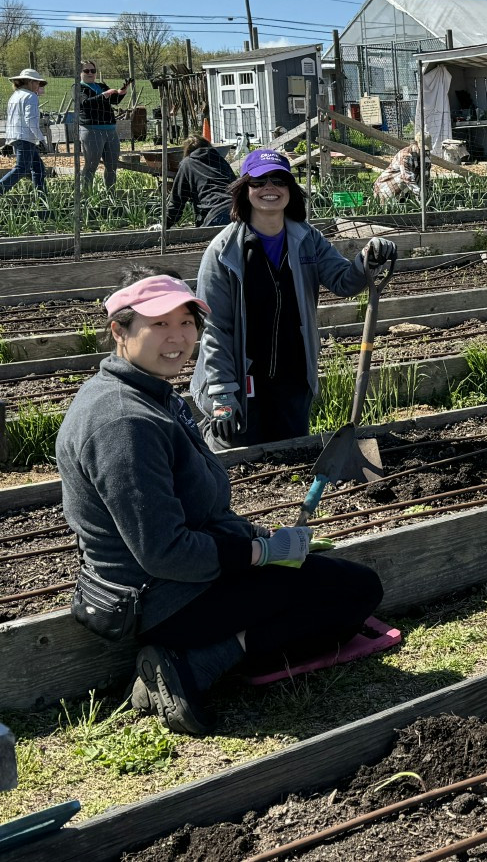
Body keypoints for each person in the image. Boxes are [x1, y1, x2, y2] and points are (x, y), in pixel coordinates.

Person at [58, 270, 384, 735]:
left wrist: (259, 536)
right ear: (120, 331)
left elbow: (194, 511)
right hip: (165, 597)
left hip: (183, 579)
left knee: (336, 582)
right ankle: (192, 664)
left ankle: (201, 651)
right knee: (355, 593)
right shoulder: (123, 423)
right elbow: (164, 552)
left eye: (187, 323)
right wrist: (259, 554)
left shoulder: (150, 394)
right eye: (159, 325)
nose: (178, 338)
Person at [191, 148, 397, 450]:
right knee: (237, 451)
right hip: (241, 374)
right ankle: (197, 443)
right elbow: (216, 329)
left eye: (279, 181)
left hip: (292, 372)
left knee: (291, 453)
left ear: (290, 189)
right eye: (259, 182)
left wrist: (367, 259)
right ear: (245, 189)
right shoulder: (224, 252)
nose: (269, 189)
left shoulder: (306, 239)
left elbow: (342, 281)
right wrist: (222, 393)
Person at [154, 136, 235, 230]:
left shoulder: (187, 163)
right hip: (237, 209)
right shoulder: (221, 161)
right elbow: (236, 185)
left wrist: (165, 224)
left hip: (215, 212)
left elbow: (178, 200)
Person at [77, 60, 129, 191]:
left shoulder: (101, 85)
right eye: (86, 71)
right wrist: (103, 95)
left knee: (112, 165)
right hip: (91, 130)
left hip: (110, 130)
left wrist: (122, 92)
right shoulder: (78, 88)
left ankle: (110, 194)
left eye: (93, 71)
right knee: (91, 165)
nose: (90, 73)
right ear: (79, 73)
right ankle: (86, 196)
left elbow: (114, 101)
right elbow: (85, 104)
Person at [2, 68, 48, 199]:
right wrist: (40, 139)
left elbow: (11, 119)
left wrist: (8, 141)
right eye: (37, 83)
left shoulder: (15, 96)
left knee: (38, 168)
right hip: (26, 138)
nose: (38, 86)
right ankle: (1, 188)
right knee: (21, 168)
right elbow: (31, 120)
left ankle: (41, 198)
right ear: (29, 82)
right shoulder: (30, 96)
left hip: (16, 136)